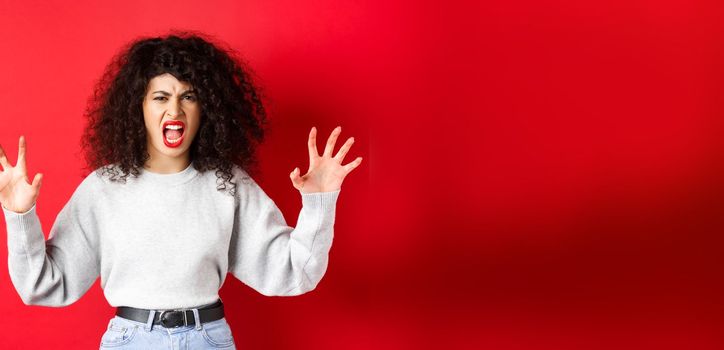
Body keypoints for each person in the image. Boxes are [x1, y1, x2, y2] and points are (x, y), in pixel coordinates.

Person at [0, 31, 362, 349]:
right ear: (137, 107)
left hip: (209, 340)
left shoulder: (227, 184)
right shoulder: (103, 189)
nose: (175, 108)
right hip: (132, 342)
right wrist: (19, 217)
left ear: (207, 109)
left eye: (188, 97)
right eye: (160, 97)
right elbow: (42, 285)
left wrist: (318, 203)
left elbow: (296, 273)